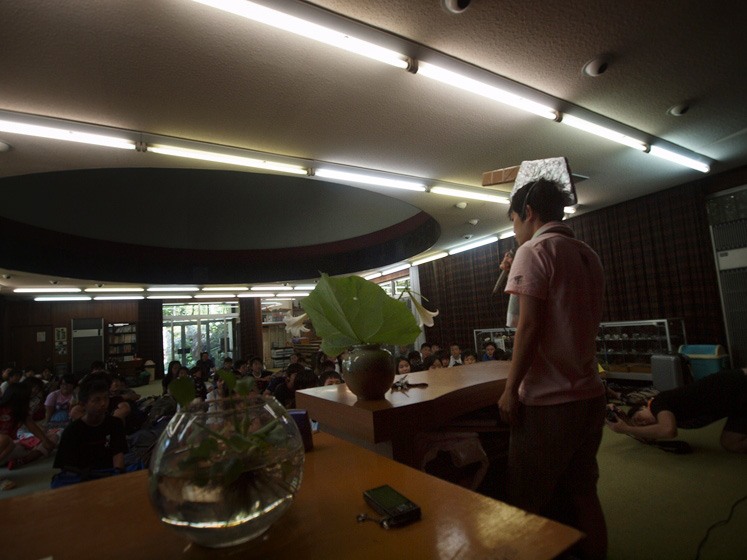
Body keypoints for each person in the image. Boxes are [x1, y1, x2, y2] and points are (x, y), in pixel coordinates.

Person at [497, 178, 607, 560]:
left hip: (550, 400)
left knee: (526, 501)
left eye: (514, 221)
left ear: (528, 212)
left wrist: (510, 390)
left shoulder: (534, 250)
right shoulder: (586, 253)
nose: (514, 231)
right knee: (584, 492)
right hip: (591, 394)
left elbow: (527, 327)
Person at [606, 368, 747, 453]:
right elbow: (650, 436)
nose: (643, 423)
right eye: (643, 425)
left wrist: (626, 429)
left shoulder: (658, 402)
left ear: (644, 406)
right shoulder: (672, 417)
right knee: (731, 443)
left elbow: (668, 431)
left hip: (741, 383)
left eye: (639, 418)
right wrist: (624, 420)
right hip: (738, 406)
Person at [53, 379, 128, 475]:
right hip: (81, 476)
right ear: (83, 405)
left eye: (106, 398)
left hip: (109, 472)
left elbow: (118, 454)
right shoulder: (72, 431)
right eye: (97, 400)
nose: (103, 404)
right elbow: (68, 467)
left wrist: (117, 475)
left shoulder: (115, 423)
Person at [0, 381, 58, 475]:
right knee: (5, 439)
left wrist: (45, 441)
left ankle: (23, 460)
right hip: (4, 448)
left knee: (53, 437)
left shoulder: (21, 412)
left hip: (14, 448)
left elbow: (33, 427)